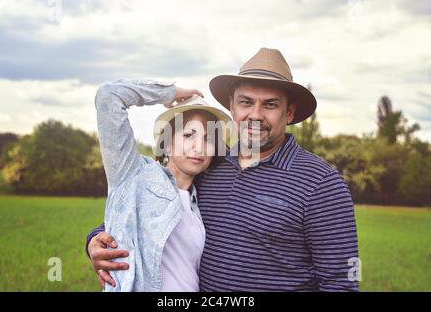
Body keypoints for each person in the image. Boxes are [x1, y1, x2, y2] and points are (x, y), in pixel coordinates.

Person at [87, 48, 360, 291]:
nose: (255, 114)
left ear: (289, 113)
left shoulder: (321, 183)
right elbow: (144, 211)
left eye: (270, 104)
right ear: (231, 106)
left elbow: (340, 283)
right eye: (245, 102)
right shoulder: (210, 167)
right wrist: (96, 241)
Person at [92, 78, 232, 291]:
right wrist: (170, 92)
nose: (199, 147)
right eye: (188, 135)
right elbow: (109, 95)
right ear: (166, 143)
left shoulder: (202, 197)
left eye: (209, 139)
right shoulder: (133, 173)